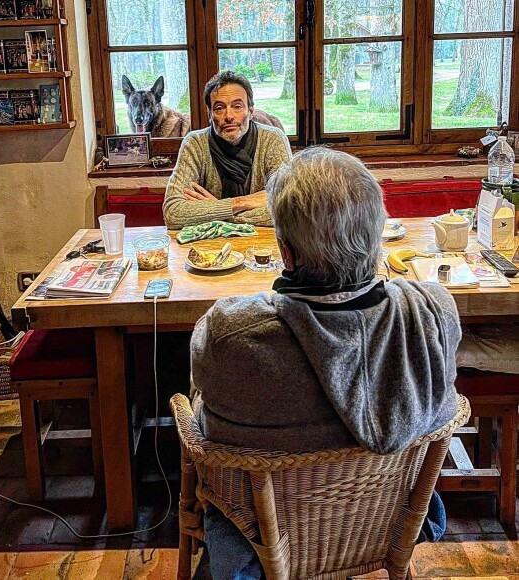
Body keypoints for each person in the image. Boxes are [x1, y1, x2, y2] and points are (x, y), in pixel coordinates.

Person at [190, 148, 462, 579]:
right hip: (391, 522)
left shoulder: (230, 333)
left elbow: (202, 411)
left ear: (286, 252)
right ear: (377, 236)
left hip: (261, 535)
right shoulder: (435, 314)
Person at [163, 71, 292, 229]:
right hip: (208, 247)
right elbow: (173, 213)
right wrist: (238, 203)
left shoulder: (272, 139)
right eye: (219, 108)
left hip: (261, 245)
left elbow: (288, 209)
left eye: (237, 107)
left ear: (250, 112)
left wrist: (213, 210)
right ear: (210, 115)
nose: (229, 116)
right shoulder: (195, 143)